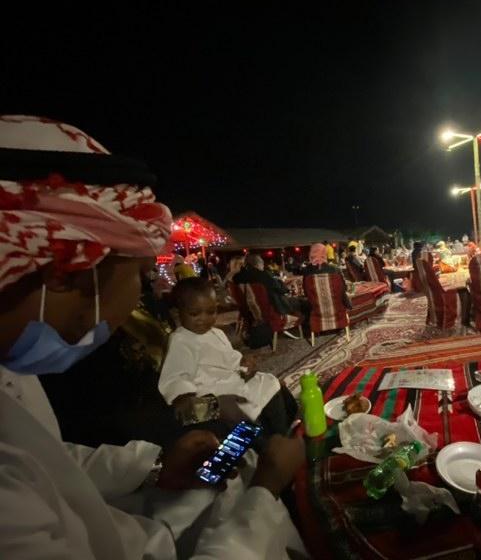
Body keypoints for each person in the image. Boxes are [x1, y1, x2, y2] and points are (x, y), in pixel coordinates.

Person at [0, 116, 307, 558]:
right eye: (143, 277)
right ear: (67, 271)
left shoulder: (13, 369)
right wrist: (266, 493)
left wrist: (156, 464)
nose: (143, 297)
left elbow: (52, 463)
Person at [160, 277, 295, 434]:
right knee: (248, 408)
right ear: (178, 312)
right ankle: (271, 439)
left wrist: (243, 364)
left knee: (270, 382)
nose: (204, 319)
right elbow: (176, 377)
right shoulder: (180, 340)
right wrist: (186, 399)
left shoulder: (216, 333)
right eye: (195, 314)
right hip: (214, 393)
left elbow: (231, 359)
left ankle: (283, 430)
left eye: (211, 312)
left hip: (233, 382)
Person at [233, 254, 306, 316]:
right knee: (301, 302)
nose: (263, 266)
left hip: (250, 311)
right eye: (263, 264)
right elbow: (281, 290)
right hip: (270, 310)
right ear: (258, 264)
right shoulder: (262, 275)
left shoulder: (237, 277)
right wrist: (284, 284)